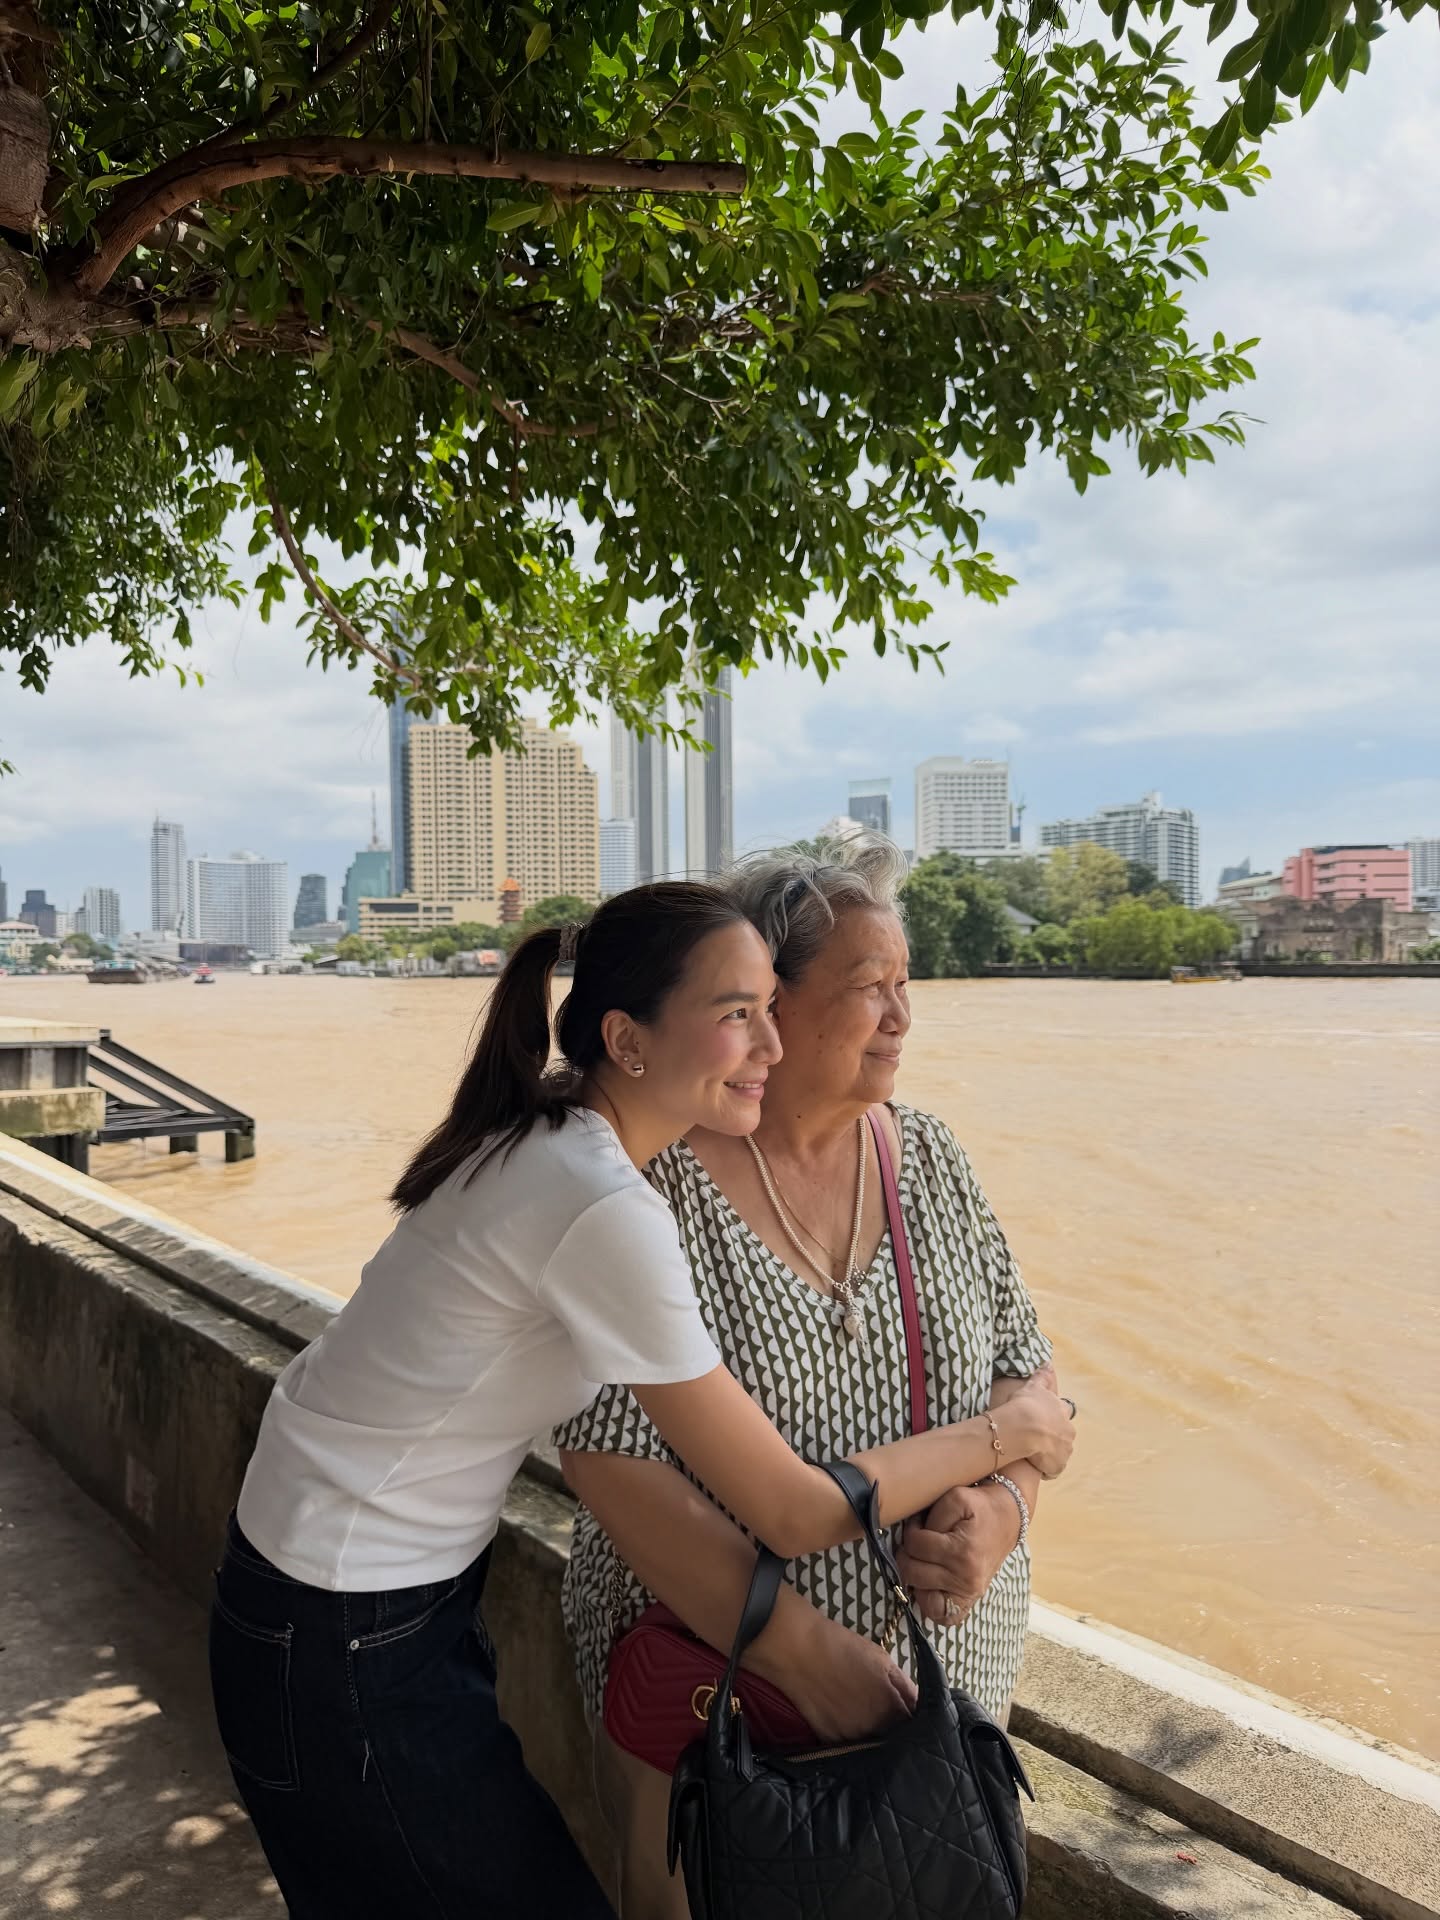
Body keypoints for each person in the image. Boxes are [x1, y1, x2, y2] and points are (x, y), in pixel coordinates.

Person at [210, 880, 1075, 1920]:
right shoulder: (610, 1202)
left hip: (363, 1593)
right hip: (344, 1615)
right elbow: (790, 1508)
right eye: (736, 1014)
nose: (767, 1044)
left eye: (766, 1009)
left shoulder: (559, 1144)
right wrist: (1005, 1434)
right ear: (627, 1038)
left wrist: (1008, 1492)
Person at [558, 842, 1074, 1920]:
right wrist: (806, 1656)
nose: (902, 1017)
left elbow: (1033, 1383)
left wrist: (1002, 1511)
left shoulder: (929, 1158)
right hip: (728, 1708)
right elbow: (611, 1462)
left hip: (944, 1696)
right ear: (765, 1010)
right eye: (868, 989)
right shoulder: (655, 1182)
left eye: (905, 986)